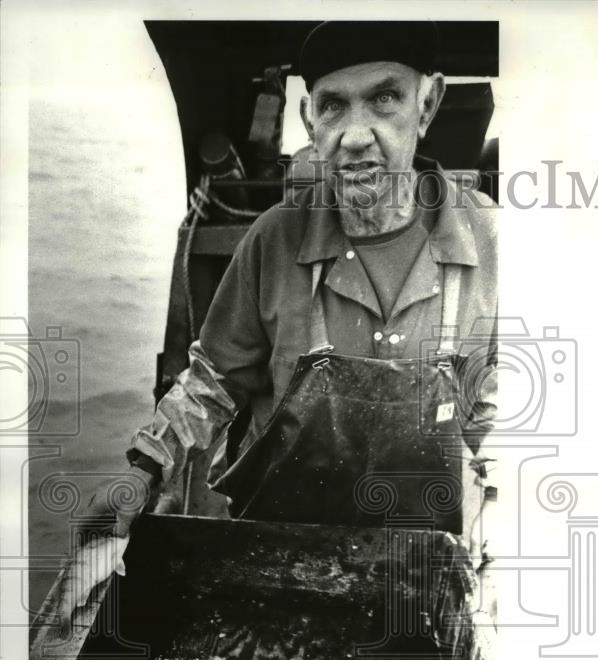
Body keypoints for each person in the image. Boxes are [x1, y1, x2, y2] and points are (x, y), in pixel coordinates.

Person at [62, 20, 498, 617]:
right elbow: (211, 385)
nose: (355, 135)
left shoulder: (495, 243)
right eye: (334, 106)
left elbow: (499, 424)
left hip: (423, 575)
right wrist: (141, 476)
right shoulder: (273, 239)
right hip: (277, 560)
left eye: (385, 98)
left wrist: (498, 535)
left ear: (429, 103)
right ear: (307, 120)